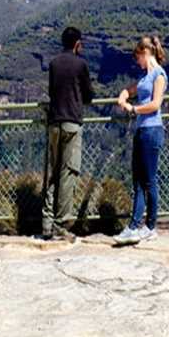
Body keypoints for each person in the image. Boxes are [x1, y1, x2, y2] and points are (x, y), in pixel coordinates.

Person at [41, 26, 95, 241]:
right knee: (68, 172)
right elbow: (89, 95)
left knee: (52, 172)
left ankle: (46, 222)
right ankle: (61, 224)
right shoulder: (81, 64)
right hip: (72, 123)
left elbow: (52, 91)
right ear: (77, 43)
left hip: (54, 122)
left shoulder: (54, 63)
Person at [114, 35, 168, 245]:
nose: (137, 62)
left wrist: (134, 108)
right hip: (142, 130)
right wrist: (123, 95)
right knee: (138, 181)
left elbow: (155, 104)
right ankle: (137, 226)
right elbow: (130, 89)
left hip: (152, 130)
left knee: (149, 180)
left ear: (146, 53)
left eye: (138, 57)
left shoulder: (159, 75)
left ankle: (147, 226)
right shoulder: (146, 78)